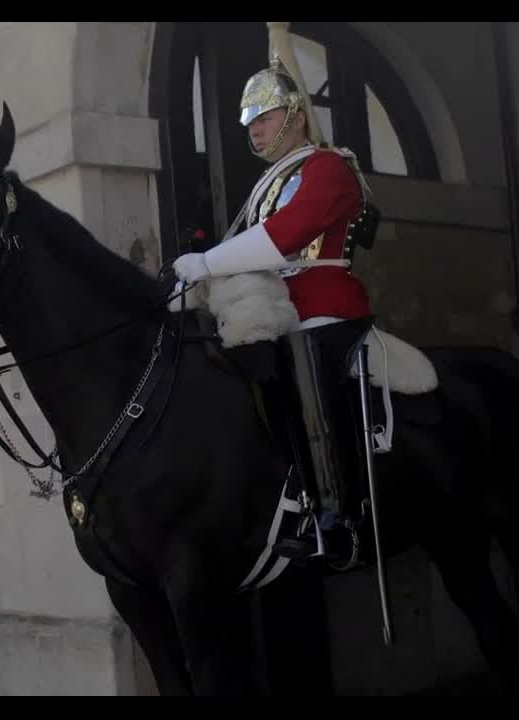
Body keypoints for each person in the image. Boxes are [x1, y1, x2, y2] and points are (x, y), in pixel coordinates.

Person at [171, 29, 380, 562]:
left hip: (323, 307)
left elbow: (287, 237)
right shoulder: (269, 182)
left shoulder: (329, 167)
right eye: (249, 123)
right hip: (275, 305)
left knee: (304, 355)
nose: (253, 131)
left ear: (295, 114)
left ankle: (338, 518)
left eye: (262, 118)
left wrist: (209, 263)